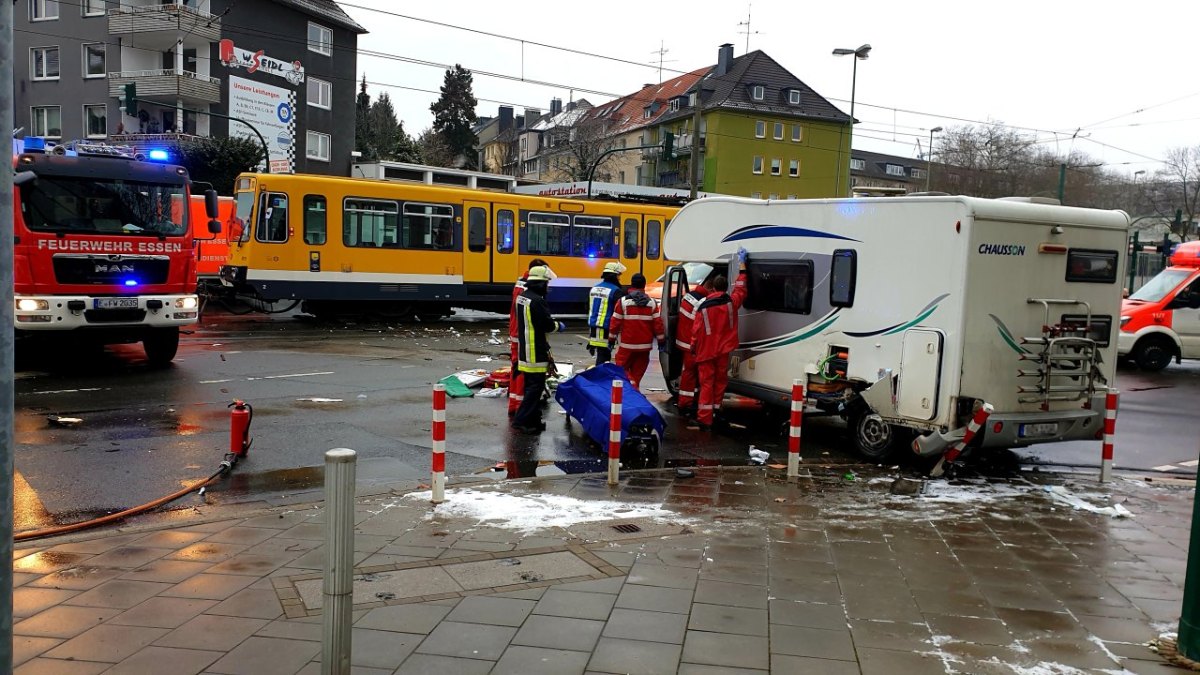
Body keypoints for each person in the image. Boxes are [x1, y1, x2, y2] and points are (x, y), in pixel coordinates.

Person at [690, 250, 749, 431]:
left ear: (713, 288)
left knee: (707, 383)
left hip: (706, 351)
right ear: (725, 288)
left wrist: (693, 347)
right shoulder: (731, 302)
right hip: (724, 350)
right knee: (720, 381)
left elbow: (696, 331)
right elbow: (741, 289)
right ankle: (716, 410)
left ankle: (704, 418)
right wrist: (743, 267)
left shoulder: (703, 306)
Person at [512, 265, 568, 433]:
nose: (547, 287)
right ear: (540, 283)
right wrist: (559, 326)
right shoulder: (538, 301)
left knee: (532, 387)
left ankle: (534, 420)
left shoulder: (522, 297)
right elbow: (547, 325)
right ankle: (521, 421)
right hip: (535, 352)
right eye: (546, 283)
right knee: (534, 389)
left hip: (525, 350)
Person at [508, 259, 551, 416]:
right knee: (523, 372)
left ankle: (515, 404)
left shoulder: (521, 284)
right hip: (523, 335)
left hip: (517, 332)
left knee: (517, 370)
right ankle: (520, 407)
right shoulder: (529, 290)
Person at [609, 273, 666, 390]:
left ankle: (629, 392)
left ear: (631, 284)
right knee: (637, 374)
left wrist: (611, 340)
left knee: (621, 371)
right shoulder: (652, 303)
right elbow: (658, 325)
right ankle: (634, 392)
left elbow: (615, 323)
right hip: (644, 348)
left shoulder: (623, 302)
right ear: (644, 285)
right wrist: (661, 341)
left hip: (626, 346)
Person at [675, 273, 714, 415]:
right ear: (710, 289)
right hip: (693, 344)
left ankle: (684, 402)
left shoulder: (688, 296)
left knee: (688, 373)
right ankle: (689, 402)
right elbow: (700, 326)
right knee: (694, 374)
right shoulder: (702, 303)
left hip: (683, 341)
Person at [587, 262, 626, 366]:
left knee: (601, 355)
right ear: (615, 276)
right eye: (619, 275)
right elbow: (619, 311)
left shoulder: (594, 288)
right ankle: (600, 375)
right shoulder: (615, 291)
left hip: (593, 328)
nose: (619, 278)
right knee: (604, 357)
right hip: (606, 328)